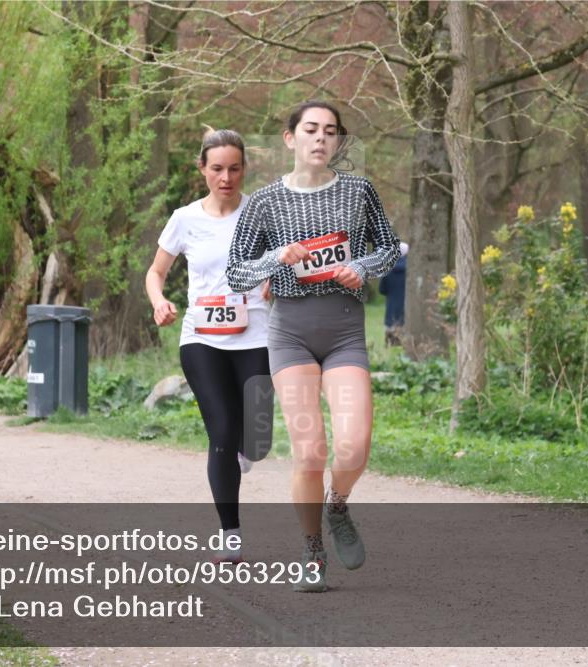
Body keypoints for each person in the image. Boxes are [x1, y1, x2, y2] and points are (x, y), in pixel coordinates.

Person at [227, 101, 401, 592]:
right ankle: (311, 546)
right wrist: (275, 257)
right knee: (310, 452)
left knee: (354, 445)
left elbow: (387, 247)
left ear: (338, 142)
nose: (321, 139)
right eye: (311, 130)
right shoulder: (263, 202)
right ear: (290, 139)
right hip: (291, 334)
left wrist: (362, 267)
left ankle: (337, 505)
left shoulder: (358, 191)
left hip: (344, 329)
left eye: (330, 132)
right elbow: (237, 271)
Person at [145, 128, 271, 563]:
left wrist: (275, 279)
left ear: (244, 169)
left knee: (256, 438)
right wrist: (159, 301)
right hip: (202, 338)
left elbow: (284, 261)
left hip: (256, 334)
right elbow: (155, 272)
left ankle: (244, 448)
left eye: (234, 168)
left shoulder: (261, 212)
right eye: (217, 168)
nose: (226, 177)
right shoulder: (184, 218)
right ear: (201, 169)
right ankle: (230, 532)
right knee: (221, 431)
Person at [379, 242, 409, 346]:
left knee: (391, 342)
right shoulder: (411, 270)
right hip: (407, 310)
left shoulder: (387, 268)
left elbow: (382, 290)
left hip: (391, 311)